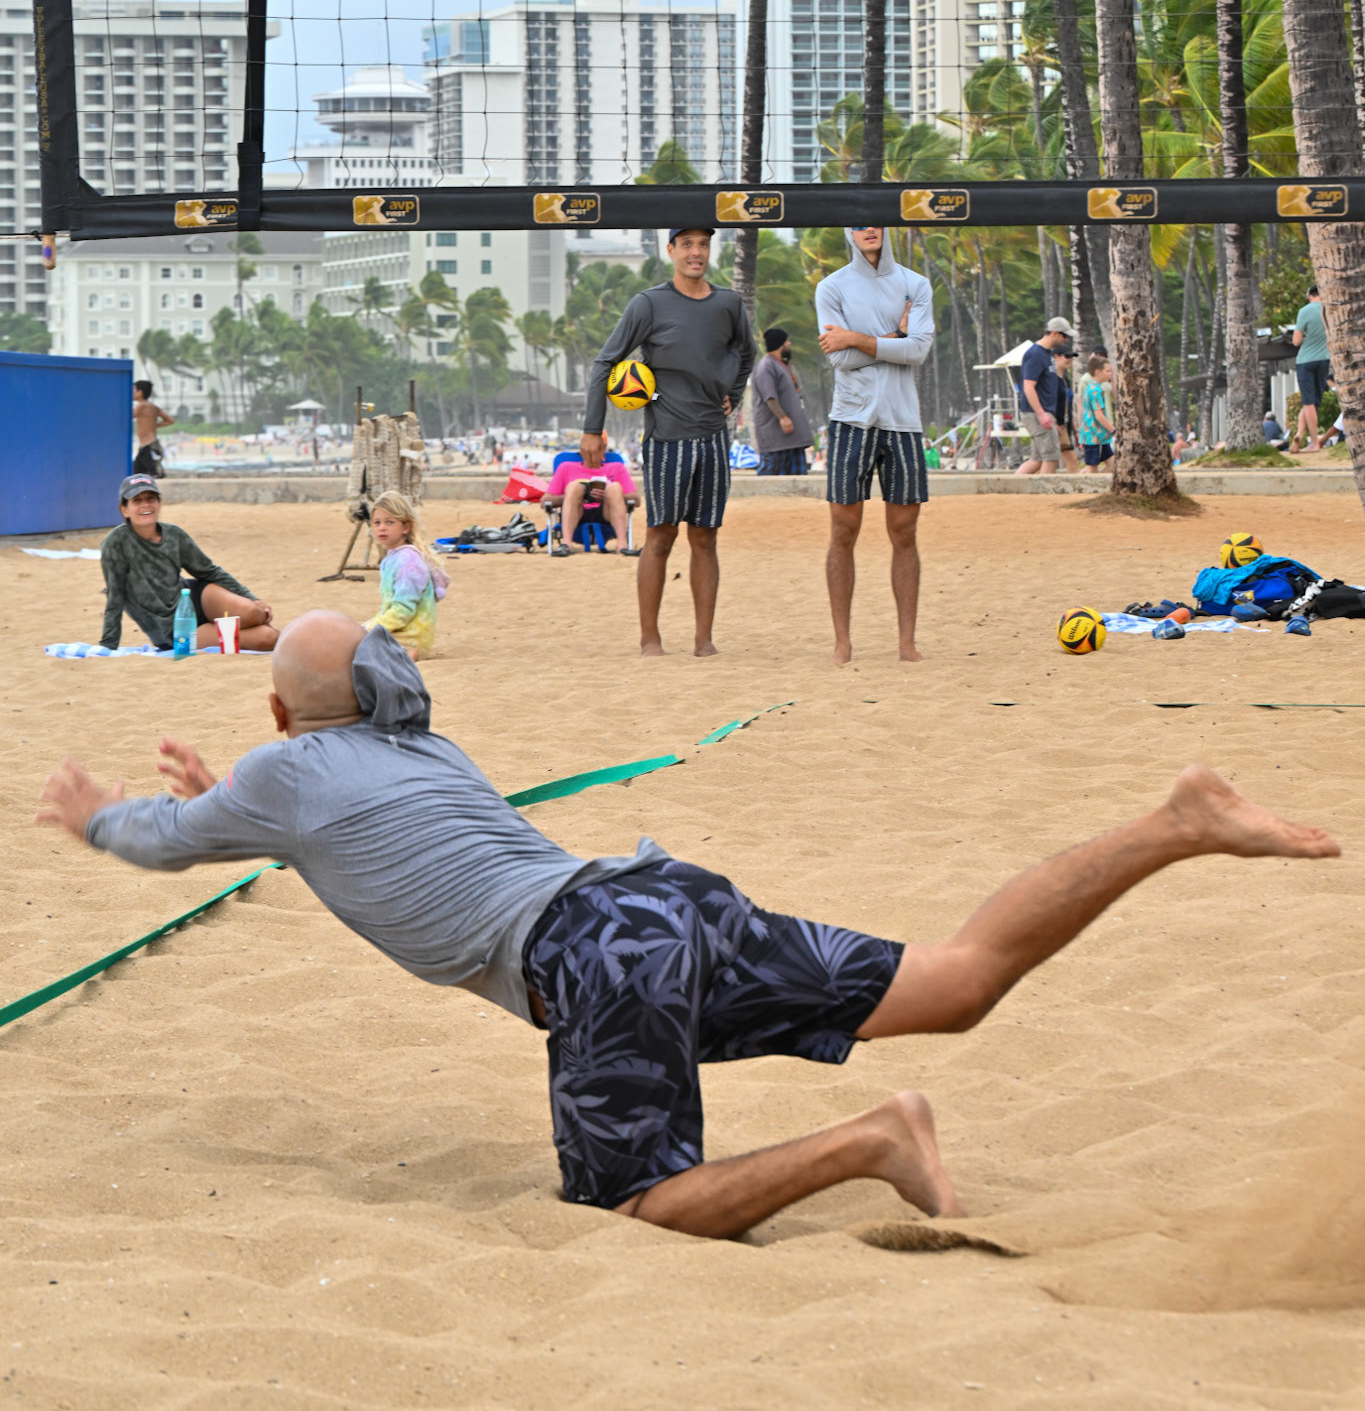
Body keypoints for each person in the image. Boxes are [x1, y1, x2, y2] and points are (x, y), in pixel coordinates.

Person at [36, 613, 1339, 1240]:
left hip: (593, 956)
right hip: (662, 894)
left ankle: (877, 1137)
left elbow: (170, 844)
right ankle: (1173, 821)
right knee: (954, 980)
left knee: (640, 1204)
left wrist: (101, 812)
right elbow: (330, 818)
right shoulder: (425, 754)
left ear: (278, 717)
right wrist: (234, 802)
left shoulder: (283, 775)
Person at [580, 227, 755, 657]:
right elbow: (607, 362)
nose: (696, 253)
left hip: (713, 436)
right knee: (660, 535)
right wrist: (591, 427)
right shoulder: (649, 304)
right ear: (671, 250)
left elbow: (747, 353)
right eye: (687, 245)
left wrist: (732, 391)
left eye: (704, 244)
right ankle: (650, 639)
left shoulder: (728, 304)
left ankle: (703, 640)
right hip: (666, 440)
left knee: (705, 538)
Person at [815, 226, 934, 665]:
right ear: (847, 231)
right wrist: (895, 339)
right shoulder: (831, 287)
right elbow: (837, 357)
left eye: (877, 222)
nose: (869, 230)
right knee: (843, 531)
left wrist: (859, 338)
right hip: (850, 419)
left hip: (903, 421)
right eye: (859, 223)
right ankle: (842, 641)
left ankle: (907, 642)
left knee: (904, 532)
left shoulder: (915, 284)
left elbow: (919, 351)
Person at [100, 473, 279, 653]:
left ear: (159, 503)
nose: (145, 504)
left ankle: (227, 621)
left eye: (150, 498)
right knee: (268, 638)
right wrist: (108, 645)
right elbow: (115, 596)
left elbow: (209, 571)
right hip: (176, 630)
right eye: (137, 500)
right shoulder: (116, 543)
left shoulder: (174, 535)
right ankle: (222, 628)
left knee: (252, 612)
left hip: (192, 598)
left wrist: (253, 598)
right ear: (124, 509)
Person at [366, 489, 448, 660]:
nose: (382, 527)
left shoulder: (409, 561)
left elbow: (403, 611)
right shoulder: (392, 558)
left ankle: (406, 653)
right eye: (377, 522)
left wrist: (370, 628)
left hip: (412, 637)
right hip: (399, 631)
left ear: (405, 527)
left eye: (389, 522)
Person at [545, 440, 638, 555]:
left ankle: (622, 545)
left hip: (607, 514)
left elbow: (636, 500)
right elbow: (545, 501)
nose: (592, 454)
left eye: (597, 450)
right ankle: (567, 544)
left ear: (603, 450)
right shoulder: (566, 468)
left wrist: (607, 496)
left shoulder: (617, 468)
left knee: (614, 487)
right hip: (575, 513)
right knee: (574, 487)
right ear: (582, 451)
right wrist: (574, 495)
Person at [1015, 318, 1081, 476]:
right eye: (1065, 336)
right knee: (1051, 457)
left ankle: (1010, 487)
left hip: (1045, 413)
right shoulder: (1035, 354)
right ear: (1055, 333)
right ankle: (1045, 494)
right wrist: (1041, 414)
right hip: (1035, 412)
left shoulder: (1048, 355)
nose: (1066, 340)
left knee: (1037, 459)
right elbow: (1028, 386)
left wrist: (1051, 417)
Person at [750, 326, 815, 475]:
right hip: (776, 436)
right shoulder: (766, 366)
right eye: (787, 341)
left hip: (792, 437)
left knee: (797, 479)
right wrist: (783, 418)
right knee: (769, 475)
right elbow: (770, 397)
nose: (789, 344)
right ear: (780, 344)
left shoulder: (782, 365)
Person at [1291, 284, 1331, 452]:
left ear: (1310, 295)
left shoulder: (1304, 311)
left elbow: (1296, 341)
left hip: (1305, 361)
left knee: (1308, 403)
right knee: (1313, 402)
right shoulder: (1330, 310)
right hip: (1324, 360)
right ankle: (1300, 432)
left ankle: (1314, 443)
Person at [1078, 354, 1115, 469]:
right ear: (1098, 372)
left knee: (1113, 464)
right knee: (1092, 468)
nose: (1111, 374)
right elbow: (1099, 415)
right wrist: (1114, 430)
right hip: (1093, 437)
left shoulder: (1094, 388)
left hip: (1101, 437)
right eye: (1108, 371)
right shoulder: (1095, 391)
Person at [132, 380, 173, 478]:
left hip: (149, 446)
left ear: (140, 393)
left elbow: (128, 415)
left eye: (133, 390)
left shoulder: (141, 406)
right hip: (150, 445)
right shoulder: (153, 407)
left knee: (155, 473)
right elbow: (170, 420)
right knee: (137, 472)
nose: (131, 393)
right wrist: (154, 425)